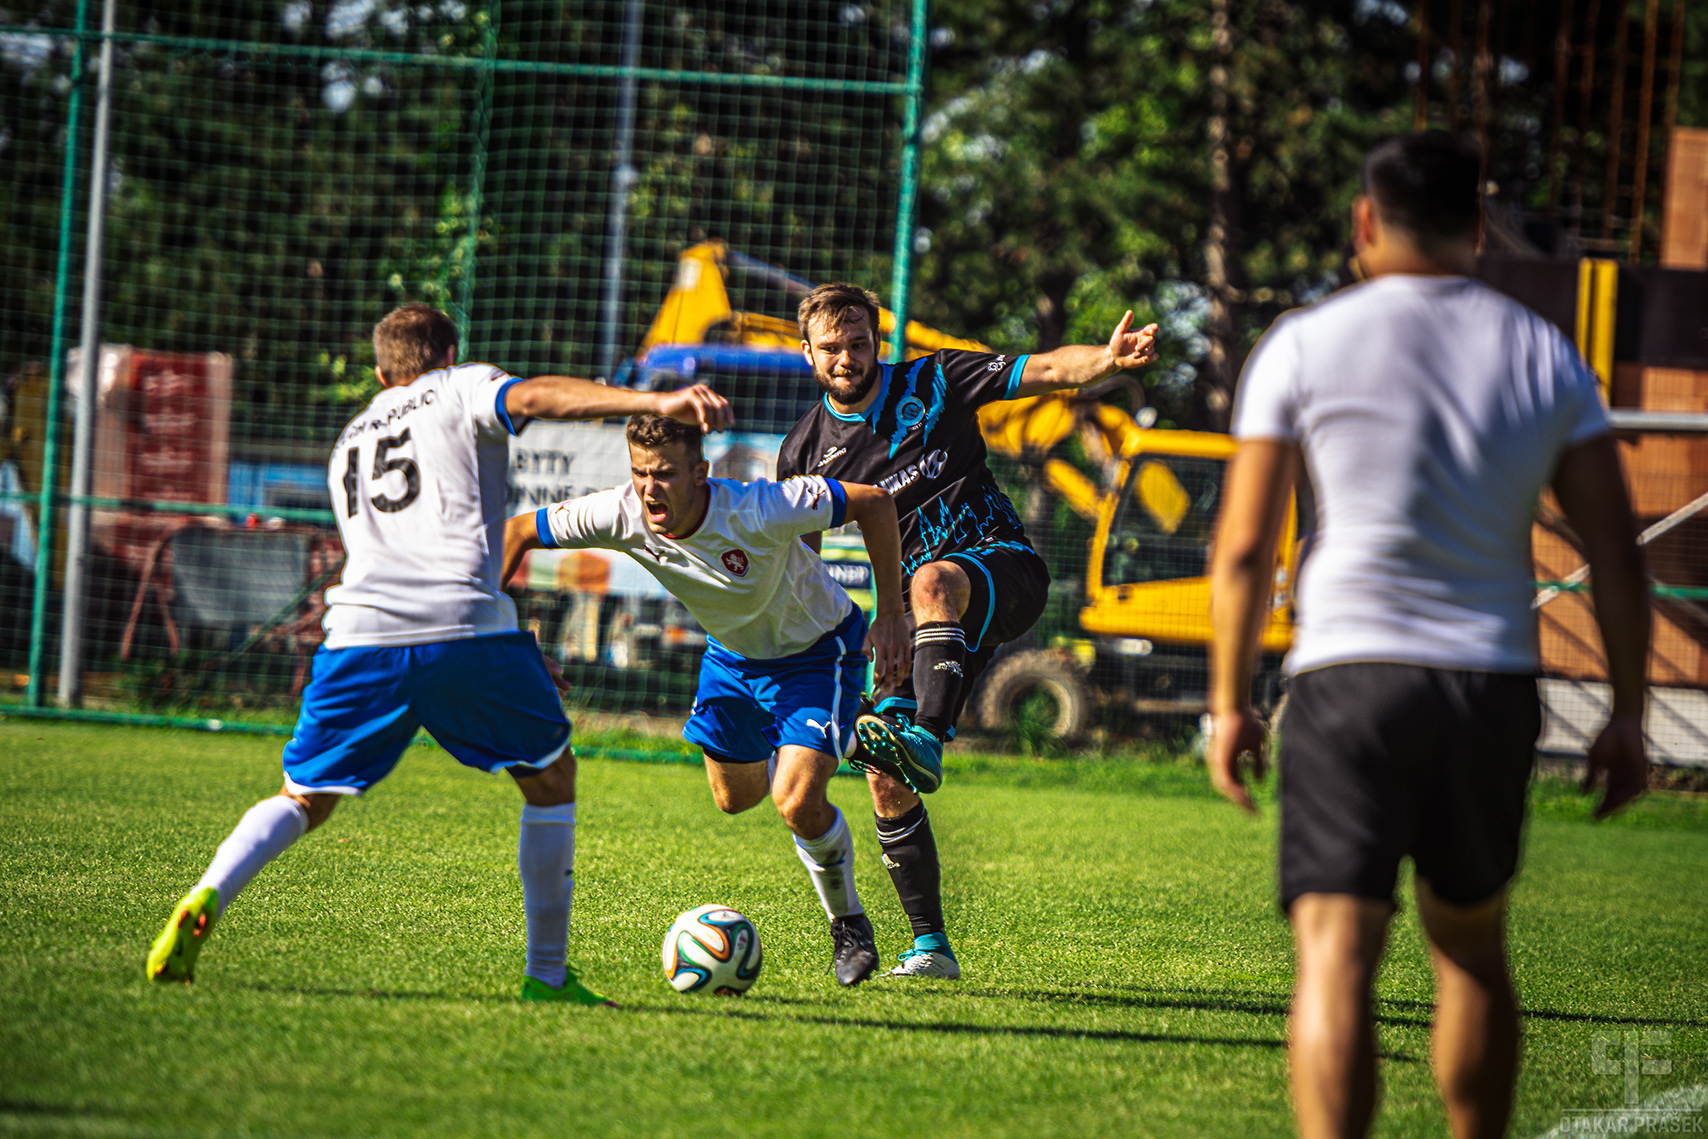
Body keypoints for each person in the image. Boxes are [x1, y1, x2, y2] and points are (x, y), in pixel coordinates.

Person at [1206, 131, 1651, 1139]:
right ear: (1478, 227)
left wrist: (1229, 702)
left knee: (1333, 956)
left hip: (1346, 679)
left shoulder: (1303, 342)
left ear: (1362, 223)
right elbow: (1617, 553)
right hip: (1489, 682)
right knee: (1470, 949)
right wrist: (1626, 713)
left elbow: (1240, 552)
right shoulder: (1542, 351)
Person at [146, 303, 733, 1006]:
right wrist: (655, 398)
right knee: (549, 777)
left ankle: (208, 890)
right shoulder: (458, 388)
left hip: (358, 633)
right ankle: (546, 977)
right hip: (463, 625)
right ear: (449, 354)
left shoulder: (350, 440)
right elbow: (539, 397)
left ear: (379, 371)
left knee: (303, 794)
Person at [777, 283, 1158, 978]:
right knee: (887, 777)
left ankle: (930, 732)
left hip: (999, 569)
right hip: (919, 624)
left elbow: (1041, 370)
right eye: (831, 347)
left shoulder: (933, 379)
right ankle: (930, 947)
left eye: (858, 343)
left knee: (930, 583)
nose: (847, 357)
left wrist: (1104, 359)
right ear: (807, 353)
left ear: (876, 343)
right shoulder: (802, 453)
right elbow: (794, 573)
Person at [502, 413, 911, 986]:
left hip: (817, 651)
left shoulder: (758, 507)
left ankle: (848, 925)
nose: (650, 487)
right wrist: (500, 638)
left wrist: (892, 613)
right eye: (640, 473)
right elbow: (517, 531)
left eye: (665, 473)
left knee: (793, 801)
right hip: (732, 659)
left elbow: (874, 502)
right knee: (734, 799)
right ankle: (815, 737)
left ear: (701, 473)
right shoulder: (621, 512)